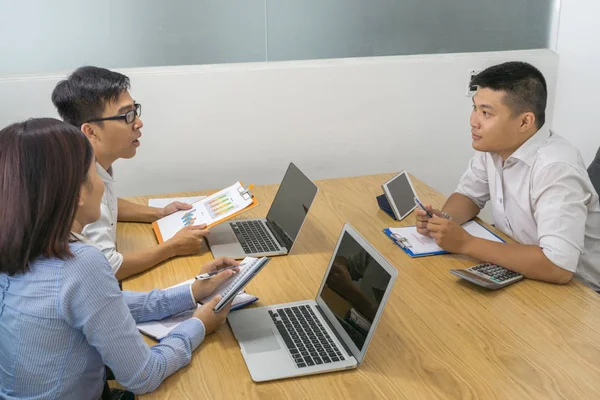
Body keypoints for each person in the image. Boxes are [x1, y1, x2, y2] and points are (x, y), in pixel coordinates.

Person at [0, 118, 239, 399]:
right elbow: (143, 376)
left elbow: (100, 304)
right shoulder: (79, 264)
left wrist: (192, 291)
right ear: (78, 193)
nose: (103, 187)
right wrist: (199, 324)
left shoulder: (21, 247)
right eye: (95, 174)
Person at [416, 61, 600, 292]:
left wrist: (465, 243)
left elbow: (558, 266)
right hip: (518, 263)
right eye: (475, 108)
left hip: (577, 292)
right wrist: (443, 221)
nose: (473, 121)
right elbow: (469, 195)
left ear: (525, 121)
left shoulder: (556, 168)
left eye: (486, 113)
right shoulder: (494, 147)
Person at [51, 66, 209, 279]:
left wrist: (159, 214)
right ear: (90, 131)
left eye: (135, 110)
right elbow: (109, 268)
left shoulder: (84, 163)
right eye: (127, 115)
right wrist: (173, 247)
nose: (138, 122)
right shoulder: (80, 185)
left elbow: (108, 202)